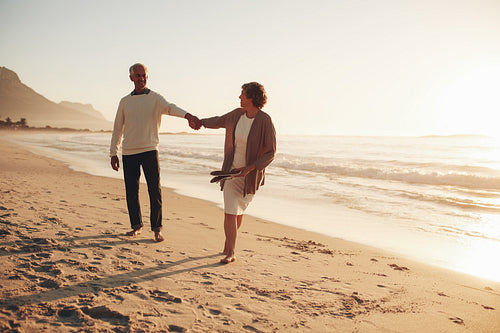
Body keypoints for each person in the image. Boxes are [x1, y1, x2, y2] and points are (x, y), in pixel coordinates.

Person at [109, 63, 201, 242]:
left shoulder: (156, 98)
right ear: (131, 78)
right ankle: (136, 226)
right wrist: (113, 152)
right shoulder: (125, 102)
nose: (141, 78)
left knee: (155, 190)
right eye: (138, 76)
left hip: (150, 150)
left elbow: (171, 108)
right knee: (131, 191)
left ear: (147, 77)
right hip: (129, 153)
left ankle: (157, 229)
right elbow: (117, 128)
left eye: (144, 75)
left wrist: (188, 116)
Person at [201, 82, 276, 263]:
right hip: (231, 172)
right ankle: (231, 252)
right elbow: (219, 120)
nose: (240, 97)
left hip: (249, 175)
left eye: (242, 94)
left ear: (252, 97)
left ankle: (228, 244)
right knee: (230, 211)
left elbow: (271, 152)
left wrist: (250, 168)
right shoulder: (237, 115)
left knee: (238, 210)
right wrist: (199, 122)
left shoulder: (265, 120)